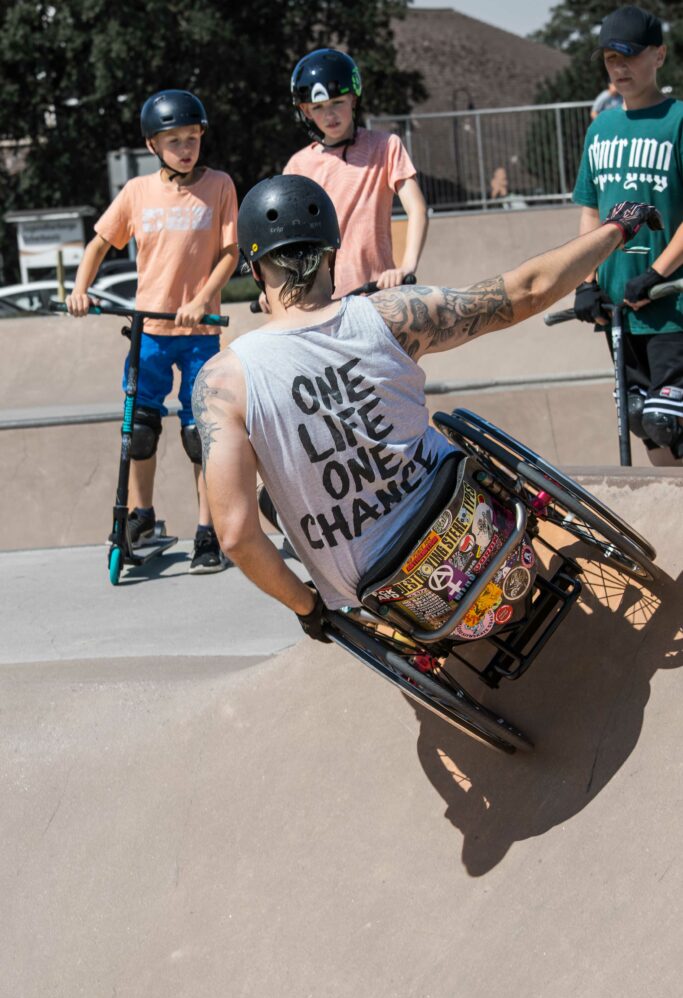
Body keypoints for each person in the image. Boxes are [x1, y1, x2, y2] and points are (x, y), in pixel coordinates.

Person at [191, 173, 659, 640]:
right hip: (489, 537)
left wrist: (308, 606)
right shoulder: (391, 316)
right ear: (333, 252)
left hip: (406, 604)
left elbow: (234, 536)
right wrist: (615, 229)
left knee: (261, 489)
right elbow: (527, 290)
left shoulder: (223, 382)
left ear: (254, 271)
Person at [67, 89, 239, 571]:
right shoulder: (138, 193)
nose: (186, 148)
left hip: (199, 333)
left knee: (197, 434)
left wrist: (202, 299)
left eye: (192, 137)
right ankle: (142, 516)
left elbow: (230, 253)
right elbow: (100, 243)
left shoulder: (220, 185)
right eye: (174, 141)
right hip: (150, 333)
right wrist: (81, 289)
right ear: (152, 146)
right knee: (140, 431)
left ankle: (209, 531)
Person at [573, 5, 683, 464]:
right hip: (620, 310)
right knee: (644, 424)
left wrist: (656, 273)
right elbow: (591, 212)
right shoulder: (600, 130)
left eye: (629, 56)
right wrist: (586, 281)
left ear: (659, 55)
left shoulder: (677, 120)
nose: (619, 67)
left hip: (671, 307)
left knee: (668, 419)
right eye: (610, 59)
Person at [282, 48, 428, 298]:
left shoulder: (385, 147)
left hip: (377, 293)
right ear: (305, 111)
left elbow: (417, 209)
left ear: (354, 99)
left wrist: (407, 265)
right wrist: (276, 287)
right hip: (322, 300)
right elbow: (286, 238)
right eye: (318, 107)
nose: (329, 115)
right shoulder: (298, 166)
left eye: (337, 102)